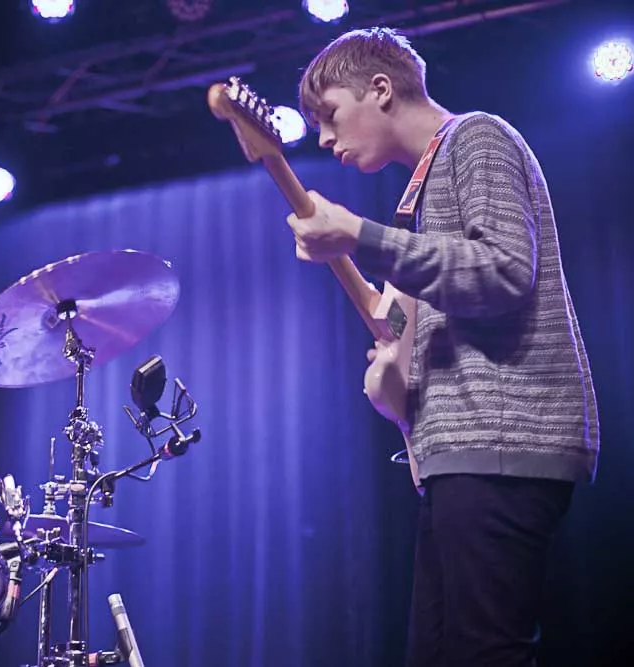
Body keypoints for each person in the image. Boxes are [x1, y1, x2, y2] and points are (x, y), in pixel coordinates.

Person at [285, 27, 599, 667]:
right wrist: (395, 374)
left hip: (505, 438)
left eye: (330, 114)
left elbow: (506, 271)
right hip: (467, 449)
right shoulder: (422, 194)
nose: (323, 137)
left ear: (380, 89)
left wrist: (360, 234)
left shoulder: (475, 137)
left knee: (484, 653)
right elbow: (420, 314)